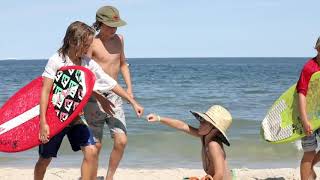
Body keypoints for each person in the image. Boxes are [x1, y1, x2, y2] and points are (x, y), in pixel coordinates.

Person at [34, 21, 144, 180]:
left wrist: (132, 102)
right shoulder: (56, 60)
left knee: (91, 151)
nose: (88, 48)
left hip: (74, 117)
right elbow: (45, 91)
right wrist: (43, 122)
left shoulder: (86, 62)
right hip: (54, 118)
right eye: (85, 44)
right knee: (45, 159)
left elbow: (109, 82)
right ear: (73, 41)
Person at [84, 6, 133, 179]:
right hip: (93, 97)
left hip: (114, 95)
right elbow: (86, 74)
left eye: (116, 25)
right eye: (110, 25)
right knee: (95, 146)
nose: (114, 29)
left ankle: (110, 176)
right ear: (100, 23)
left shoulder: (119, 39)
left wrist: (129, 89)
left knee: (121, 141)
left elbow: (123, 64)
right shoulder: (92, 43)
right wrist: (96, 96)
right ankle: (91, 176)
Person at [147, 105, 233, 180]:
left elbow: (220, 174)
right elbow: (182, 126)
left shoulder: (213, 145)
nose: (200, 122)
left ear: (214, 129)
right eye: (201, 119)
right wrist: (159, 118)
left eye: (204, 122)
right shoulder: (203, 137)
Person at [297, 36, 320, 180]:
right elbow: (301, 94)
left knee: (311, 156)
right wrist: (305, 120)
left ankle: (311, 165)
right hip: (307, 114)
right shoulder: (309, 67)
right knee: (310, 151)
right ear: (318, 49)